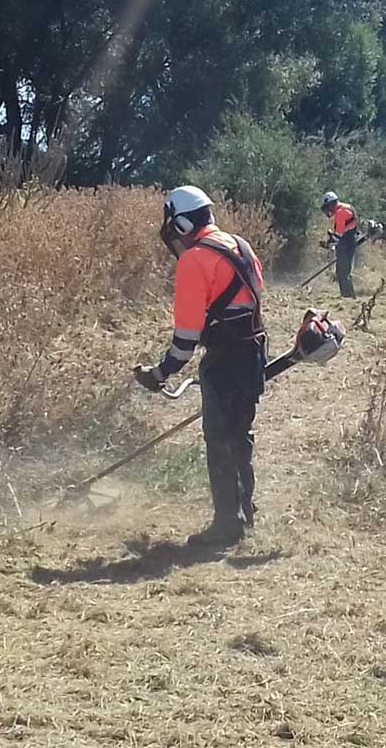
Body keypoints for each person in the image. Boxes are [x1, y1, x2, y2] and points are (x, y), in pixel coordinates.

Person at [134, 185, 267, 547]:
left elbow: (186, 339)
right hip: (253, 352)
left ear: (179, 225)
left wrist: (159, 373)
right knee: (240, 433)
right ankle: (245, 511)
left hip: (225, 361)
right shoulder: (240, 245)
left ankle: (227, 525)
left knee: (219, 440)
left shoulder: (194, 260)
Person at [320, 191, 360, 298]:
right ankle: (348, 296)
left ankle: (348, 297)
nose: (328, 210)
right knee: (343, 271)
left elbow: (339, 236)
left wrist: (328, 243)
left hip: (346, 243)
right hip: (348, 241)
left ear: (332, 203)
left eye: (328, 207)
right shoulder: (345, 208)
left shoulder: (340, 213)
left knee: (342, 272)